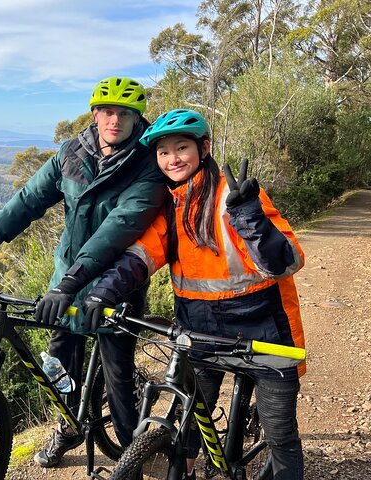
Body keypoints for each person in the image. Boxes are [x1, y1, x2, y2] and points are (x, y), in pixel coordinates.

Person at [0, 77, 167, 467]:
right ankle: (68, 427)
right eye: (108, 111)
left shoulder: (148, 164)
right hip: (67, 282)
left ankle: (131, 459)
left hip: (116, 283)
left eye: (124, 113)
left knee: (118, 378)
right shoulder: (72, 153)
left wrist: (70, 284)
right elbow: (27, 201)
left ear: (136, 118)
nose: (115, 120)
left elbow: (118, 229)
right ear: (95, 114)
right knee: (58, 365)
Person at [84, 108, 306, 479]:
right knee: (187, 423)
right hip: (201, 331)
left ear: (203, 148)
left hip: (266, 331)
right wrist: (101, 294)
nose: (172, 159)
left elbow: (286, 262)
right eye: (163, 151)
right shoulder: (170, 206)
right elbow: (140, 256)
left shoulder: (232, 196)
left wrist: (249, 216)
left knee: (280, 433)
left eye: (181, 147)